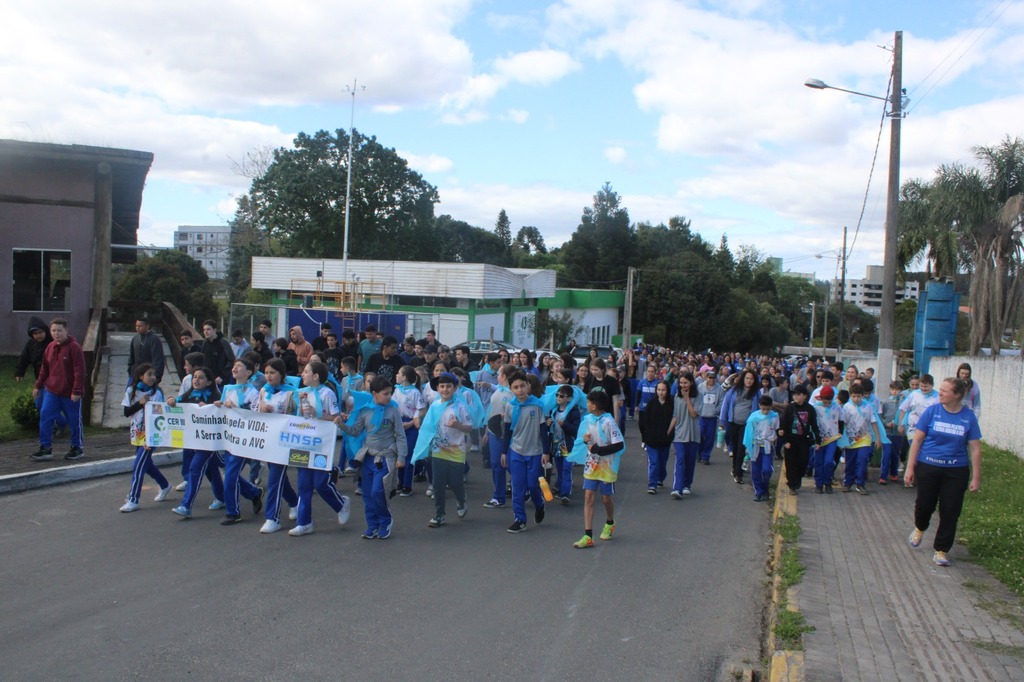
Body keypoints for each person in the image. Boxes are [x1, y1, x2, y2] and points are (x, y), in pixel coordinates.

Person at [905, 378, 982, 567]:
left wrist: (976, 477)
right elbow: (917, 440)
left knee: (950, 510)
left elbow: (975, 448)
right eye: (940, 390)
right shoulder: (932, 411)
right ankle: (920, 527)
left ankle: (941, 550)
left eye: (945, 391)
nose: (940, 393)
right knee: (924, 505)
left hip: (956, 470)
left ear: (957, 395)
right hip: (929, 466)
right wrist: (910, 467)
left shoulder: (968, 417)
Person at [336, 375, 407, 539]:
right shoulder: (365, 410)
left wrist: (401, 457)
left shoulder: (393, 410)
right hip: (367, 458)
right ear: (374, 394)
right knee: (367, 493)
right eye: (385, 393)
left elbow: (400, 435)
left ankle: (385, 521)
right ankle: (372, 525)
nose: (389, 396)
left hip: (385, 458)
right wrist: (342, 425)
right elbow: (355, 431)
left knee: (378, 491)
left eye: (390, 393)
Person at [290, 360, 352, 536]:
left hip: (321, 443)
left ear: (316, 376)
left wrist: (317, 415)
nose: (303, 374)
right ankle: (304, 522)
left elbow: (335, 417)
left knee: (320, 483)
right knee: (303, 484)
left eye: (306, 372)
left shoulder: (327, 393)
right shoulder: (301, 393)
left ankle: (341, 503)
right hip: (303, 441)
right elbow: (298, 417)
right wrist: (303, 410)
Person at [415, 372, 472, 528]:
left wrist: (458, 426)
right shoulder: (435, 405)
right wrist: (425, 445)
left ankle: (461, 500)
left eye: (448, 386)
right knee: (438, 484)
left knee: (455, 482)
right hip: (438, 450)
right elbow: (428, 426)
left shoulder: (460, 406)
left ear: (454, 388)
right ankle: (439, 515)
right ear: (438, 389)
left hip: (456, 451)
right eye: (442, 386)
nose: (445, 389)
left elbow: (469, 428)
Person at [168, 367, 226, 518]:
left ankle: (186, 505)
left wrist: (210, 407)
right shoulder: (188, 395)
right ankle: (250, 492)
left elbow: (221, 416)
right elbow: (176, 403)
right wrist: (172, 401)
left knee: (195, 469)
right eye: (195, 377)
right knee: (212, 470)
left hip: (208, 443)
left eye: (201, 378)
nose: (196, 380)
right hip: (194, 441)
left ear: (208, 382)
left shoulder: (215, 396)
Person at [570, 388, 624, 549]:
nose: (586, 404)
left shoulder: (609, 422)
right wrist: (586, 439)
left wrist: (598, 450)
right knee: (588, 497)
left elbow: (618, 444)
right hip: (592, 465)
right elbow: (588, 440)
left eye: (588, 402)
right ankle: (588, 535)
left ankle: (610, 522)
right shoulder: (589, 420)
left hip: (607, 466)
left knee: (605, 498)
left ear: (594, 405)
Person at [214, 359, 265, 525]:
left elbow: (255, 415)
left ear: (248, 372)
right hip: (229, 438)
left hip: (243, 440)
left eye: (239, 366)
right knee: (231, 473)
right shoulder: (227, 388)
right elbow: (222, 410)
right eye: (234, 365)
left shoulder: (253, 392)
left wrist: (236, 407)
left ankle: (233, 512)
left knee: (230, 476)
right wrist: (218, 405)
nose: (234, 368)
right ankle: (254, 492)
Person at [252, 359, 299, 533]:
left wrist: (277, 413)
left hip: (284, 440)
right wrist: (261, 409)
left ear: (282, 374)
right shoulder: (264, 390)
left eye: (273, 372)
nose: (269, 376)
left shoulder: (292, 392)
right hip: (268, 439)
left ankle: (273, 518)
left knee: (274, 480)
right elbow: (256, 411)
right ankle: (295, 502)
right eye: (266, 372)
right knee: (277, 476)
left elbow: (297, 415)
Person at [31, 318, 86, 462]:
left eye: (59, 330)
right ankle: (45, 448)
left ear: (66, 331)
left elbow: (79, 371)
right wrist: (38, 385)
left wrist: (77, 390)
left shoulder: (74, 347)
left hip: (70, 393)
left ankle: (76, 447)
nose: (56, 333)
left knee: (74, 420)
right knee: (45, 416)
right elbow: (44, 369)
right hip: (52, 391)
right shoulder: (49, 347)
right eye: (53, 330)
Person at [119, 363, 172, 512]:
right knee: (146, 464)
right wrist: (140, 403)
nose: (152, 377)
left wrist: (151, 437)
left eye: (154, 375)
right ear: (141, 376)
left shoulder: (157, 393)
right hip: (137, 433)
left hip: (151, 434)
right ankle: (164, 485)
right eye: (149, 374)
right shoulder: (131, 391)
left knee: (139, 466)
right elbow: (127, 412)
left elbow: (159, 415)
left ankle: (133, 499)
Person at [502, 371, 547, 533]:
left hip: (535, 451)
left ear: (528, 386)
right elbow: (507, 430)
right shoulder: (510, 406)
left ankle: (539, 504)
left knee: (533, 485)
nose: (520, 390)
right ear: (511, 389)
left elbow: (543, 430)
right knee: (518, 486)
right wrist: (504, 452)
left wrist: (546, 451)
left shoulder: (537, 405)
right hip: (516, 451)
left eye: (522, 386)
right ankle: (520, 519)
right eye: (516, 387)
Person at [840, 384, 882, 495]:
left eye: (858, 396)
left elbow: (873, 422)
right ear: (850, 396)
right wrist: (841, 439)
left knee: (863, 460)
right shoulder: (847, 407)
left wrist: (878, 437)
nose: (856, 399)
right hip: (851, 439)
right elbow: (843, 423)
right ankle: (848, 482)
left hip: (865, 438)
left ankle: (860, 484)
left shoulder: (868, 407)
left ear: (863, 396)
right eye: (854, 396)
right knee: (850, 462)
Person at [778, 385, 819, 495]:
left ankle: (798, 478)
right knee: (790, 463)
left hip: (803, 441)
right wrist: (785, 441)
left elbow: (814, 425)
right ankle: (792, 485)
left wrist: (818, 440)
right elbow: (783, 425)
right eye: (794, 394)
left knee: (803, 462)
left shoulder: (810, 409)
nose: (796, 396)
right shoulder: (789, 408)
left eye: (798, 394)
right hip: (791, 440)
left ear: (805, 396)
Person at [393, 366, 427, 497]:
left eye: (399, 373)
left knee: (408, 456)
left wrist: (412, 422)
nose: (396, 375)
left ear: (405, 377)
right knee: (399, 454)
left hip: (411, 425)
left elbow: (421, 409)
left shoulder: (415, 393)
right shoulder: (397, 390)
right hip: (399, 423)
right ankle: (400, 482)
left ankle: (407, 485)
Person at [547, 383, 582, 504]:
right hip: (557, 444)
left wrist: (565, 424)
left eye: (562, 396)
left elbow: (576, 429)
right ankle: (561, 489)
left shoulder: (574, 412)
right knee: (560, 468)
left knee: (567, 469)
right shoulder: (554, 410)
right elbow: (549, 428)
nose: (558, 397)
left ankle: (565, 493)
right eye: (557, 395)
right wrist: (548, 423)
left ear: (569, 398)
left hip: (568, 444)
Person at [743, 395, 780, 502]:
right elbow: (748, 433)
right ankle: (758, 491)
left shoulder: (774, 416)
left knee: (766, 469)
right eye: (763, 409)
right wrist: (747, 446)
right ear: (759, 406)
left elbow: (777, 429)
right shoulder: (753, 417)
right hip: (755, 446)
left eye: (768, 409)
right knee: (755, 470)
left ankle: (765, 488)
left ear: (771, 407)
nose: (765, 411)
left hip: (768, 446)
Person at [670, 372, 700, 498]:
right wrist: (669, 431)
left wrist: (687, 399)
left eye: (685, 382)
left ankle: (687, 485)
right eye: (681, 383)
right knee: (680, 459)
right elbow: (675, 416)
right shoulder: (677, 397)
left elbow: (694, 414)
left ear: (691, 383)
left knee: (690, 461)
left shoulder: (698, 396)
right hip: (679, 433)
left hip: (693, 433)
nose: (683, 385)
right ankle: (677, 488)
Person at [640, 380, 673, 494]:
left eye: (663, 390)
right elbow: (645, 421)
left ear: (667, 391)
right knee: (653, 462)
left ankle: (660, 478)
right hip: (652, 440)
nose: (661, 392)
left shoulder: (671, 404)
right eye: (659, 390)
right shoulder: (651, 403)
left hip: (665, 440)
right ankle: (652, 484)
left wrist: (670, 435)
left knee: (662, 462)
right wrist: (645, 437)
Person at [810, 386, 842, 494]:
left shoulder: (837, 407)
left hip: (832, 439)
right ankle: (818, 484)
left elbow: (841, 420)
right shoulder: (816, 408)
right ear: (821, 398)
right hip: (819, 440)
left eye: (829, 401)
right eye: (825, 400)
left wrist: (840, 432)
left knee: (828, 461)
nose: (827, 403)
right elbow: (812, 423)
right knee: (818, 462)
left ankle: (827, 482)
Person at [696, 370, 724, 465]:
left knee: (709, 437)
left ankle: (706, 456)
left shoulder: (719, 389)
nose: (711, 380)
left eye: (713, 378)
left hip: (712, 417)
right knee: (700, 435)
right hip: (702, 416)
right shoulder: (700, 387)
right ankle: (698, 452)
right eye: (709, 377)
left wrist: (716, 411)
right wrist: (698, 410)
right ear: (706, 377)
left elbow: (721, 402)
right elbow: (697, 399)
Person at [127, 317, 165, 386]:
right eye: (136, 326)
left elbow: (158, 359)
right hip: (134, 375)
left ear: (147, 326)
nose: (137, 328)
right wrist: (130, 371)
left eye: (140, 326)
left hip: (148, 375)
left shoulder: (154, 339)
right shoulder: (135, 338)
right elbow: (131, 357)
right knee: (130, 394)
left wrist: (157, 377)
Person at [200, 320, 235, 386]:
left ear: (214, 329)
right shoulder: (205, 343)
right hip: (208, 378)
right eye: (204, 330)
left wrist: (222, 376)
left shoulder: (223, 342)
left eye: (208, 329)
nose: (206, 332)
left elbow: (231, 360)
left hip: (221, 380)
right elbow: (203, 359)